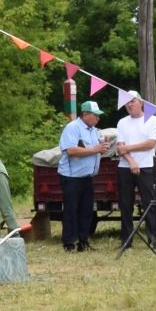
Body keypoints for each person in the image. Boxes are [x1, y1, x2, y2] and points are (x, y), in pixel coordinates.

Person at [115, 91, 156, 249]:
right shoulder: (122, 122)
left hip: (147, 166)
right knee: (125, 204)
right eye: (127, 102)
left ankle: (154, 239)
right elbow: (120, 147)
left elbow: (150, 143)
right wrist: (131, 161)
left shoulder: (152, 120)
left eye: (132, 101)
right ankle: (126, 241)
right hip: (125, 167)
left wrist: (129, 148)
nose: (129, 104)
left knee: (150, 203)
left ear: (141, 102)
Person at [57, 101, 106, 251]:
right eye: (95, 115)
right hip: (72, 177)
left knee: (87, 210)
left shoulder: (94, 130)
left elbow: (95, 149)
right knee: (71, 210)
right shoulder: (72, 128)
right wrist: (95, 149)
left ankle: (83, 242)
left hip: (87, 176)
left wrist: (102, 148)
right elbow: (71, 150)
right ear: (85, 115)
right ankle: (69, 243)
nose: (98, 118)